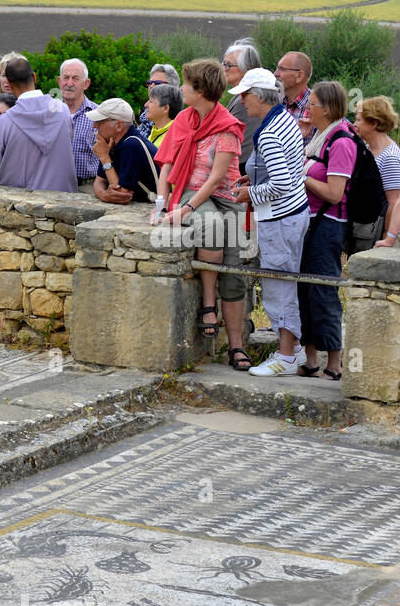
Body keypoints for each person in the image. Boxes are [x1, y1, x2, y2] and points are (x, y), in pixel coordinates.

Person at [154, 58, 248, 366]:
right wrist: (162, 205)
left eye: (186, 83)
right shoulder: (183, 119)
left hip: (225, 198)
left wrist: (184, 211)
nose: (181, 88)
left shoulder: (227, 127)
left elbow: (217, 178)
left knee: (233, 275)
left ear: (201, 89)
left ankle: (236, 347)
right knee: (210, 223)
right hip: (191, 191)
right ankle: (209, 303)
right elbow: (167, 162)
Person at [227, 70, 309, 377]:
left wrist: (250, 193)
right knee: (285, 281)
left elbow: (282, 184)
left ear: (260, 97)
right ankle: (295, 349)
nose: (242, 100)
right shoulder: (284, 118)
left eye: (246, 94)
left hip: (279, 219)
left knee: (278, 287)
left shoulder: (269, 132)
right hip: (293, 214)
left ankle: (286, 357)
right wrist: (256, 177)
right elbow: (289, 169)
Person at [297, 81, 355, 381]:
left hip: (329, 225)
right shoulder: (320, 136)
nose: (308, 106)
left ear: (329, 108)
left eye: (314, 102)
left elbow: (335, 192)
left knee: (323, 291)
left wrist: (302, 178)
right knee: (304, 289)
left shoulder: (342, 141)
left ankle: (334, 362)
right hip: (312, 222)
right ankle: (310, 360)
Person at [0, 57, 76, 193]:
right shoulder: (62, 110)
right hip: (62, 197)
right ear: (34, 77)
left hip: (20, 201)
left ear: (9, 83)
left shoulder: (6, 121)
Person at [354, 95, 400, 242]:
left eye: (359, 119)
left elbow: (394, 203)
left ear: (374, 123)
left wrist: (387, 237)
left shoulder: (390, 158)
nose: (355, 124)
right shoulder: (368, 148)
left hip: (379, 236)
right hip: (366, 231)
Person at [87, 99, 158, 204]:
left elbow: (122, 195)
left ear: (119, 125)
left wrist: (105, 158)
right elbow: (99, 181)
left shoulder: (132, 145)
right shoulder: (113, 143)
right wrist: (103, 195)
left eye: (100, 121)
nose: (95, 125)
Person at [59, 58, 99, 192]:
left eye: (75, 78)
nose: (69, 83)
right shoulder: (48, 112)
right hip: (54, 185)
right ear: (59, 81)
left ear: (86, 83)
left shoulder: (99, 115)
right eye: (66, 78)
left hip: (87, 188)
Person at [223, 40, 264, 165]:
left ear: (245, 68)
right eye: (223, 64)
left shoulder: (246, 100)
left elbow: (240, 147)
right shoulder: (242, 96)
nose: (223, 69)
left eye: (228, 65)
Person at [276, 50, 314, 143]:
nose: (275, 73)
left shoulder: (319, 106)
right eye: (277, 68)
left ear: (299, 76)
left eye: (282, 69)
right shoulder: (275, 103)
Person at [136, 63, 179, 138]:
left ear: (172, 87)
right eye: (150, 83)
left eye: (157, 83)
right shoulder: (145, 118)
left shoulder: (176, 122)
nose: (152, 86)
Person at [145, 83, 182, 148]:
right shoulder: (156, 132)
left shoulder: (173, 139)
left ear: (165, 108)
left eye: (151, 101)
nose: (145, 105)